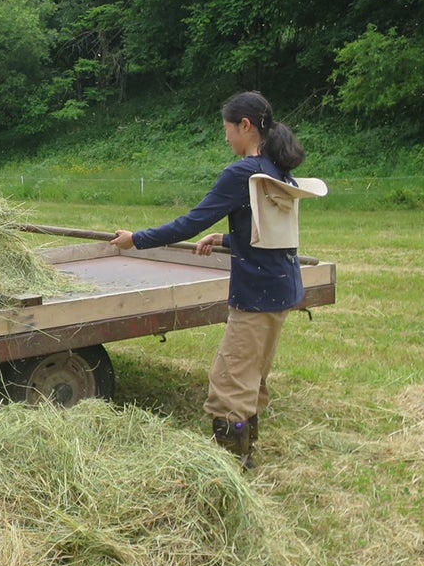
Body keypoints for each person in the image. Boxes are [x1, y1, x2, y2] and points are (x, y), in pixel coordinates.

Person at [110, 91, 308, 470]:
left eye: (228, 130)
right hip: (283, 288)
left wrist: (137, 239)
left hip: (255, 294)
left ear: (245, 126)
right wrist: (225, 239)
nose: (227, 138)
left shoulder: (243, 174)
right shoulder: (278, 169)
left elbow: (191, 222)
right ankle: (246, 453)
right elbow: (270, 233)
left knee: (229, 382)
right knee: (252, 373)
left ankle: (231, 468)